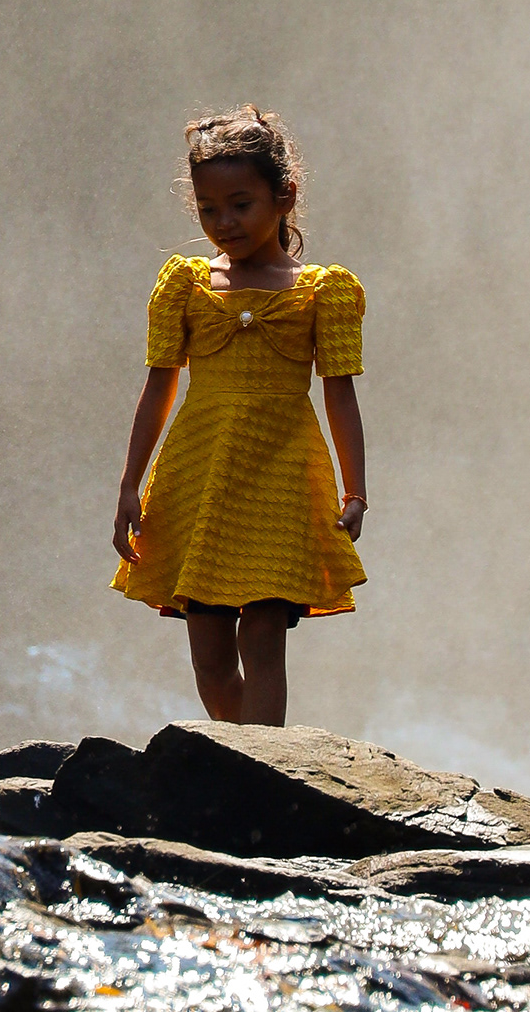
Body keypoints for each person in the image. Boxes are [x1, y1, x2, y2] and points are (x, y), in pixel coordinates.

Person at [112, 105, 367, 725]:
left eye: (241, 204)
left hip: (280, 478)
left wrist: (356, 491)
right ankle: (232, 756)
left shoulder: (321, 291)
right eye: (207, 209)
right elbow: (158, 388)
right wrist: (129, 487)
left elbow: (340, 394)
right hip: (201, 474)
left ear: (284, 197)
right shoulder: (186, 285)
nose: (223, 222)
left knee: (263, 645)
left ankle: (261, 779)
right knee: (209, 657)